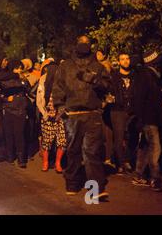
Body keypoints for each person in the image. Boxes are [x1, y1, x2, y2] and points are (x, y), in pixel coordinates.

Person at [52, 35, 111, 201]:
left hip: (93, 114)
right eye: (81, 42)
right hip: (73, 115)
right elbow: (58, 88)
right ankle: (72, 183)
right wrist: (60, 107)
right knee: (74, 151)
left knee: (91, 152)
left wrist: (94, 80)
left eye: (87, 43)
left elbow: (107, 86)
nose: (84, 45)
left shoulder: (98, 67)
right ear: (75, 44)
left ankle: (95, 189)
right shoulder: (65, 66)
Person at [131, 50, 162, 192]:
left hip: (148, 118)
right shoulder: (147, 76)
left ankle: (139, 174)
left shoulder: (150, 75)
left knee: (144, 147)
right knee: (155, 147)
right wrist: (140, 118)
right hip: (149, 118)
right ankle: (155, 178)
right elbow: (140, 99)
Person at [0, 59, 32, 168]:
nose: (19, 70)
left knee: (19, 134)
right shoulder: (5, 79)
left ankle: (21, 158)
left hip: (20, 110)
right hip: (8, 109)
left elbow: (29, 90)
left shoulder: (22, 79)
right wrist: (6, 99)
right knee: (9, 134)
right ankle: (10, 155)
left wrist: (24, 80)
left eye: (20, 68)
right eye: (17, 68)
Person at [36, 58, 66, 173]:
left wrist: (61, 112)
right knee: (47, 141)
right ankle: (45, 162)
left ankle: (58, 163)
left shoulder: (62, 81)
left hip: (60, 114)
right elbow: (39, 100)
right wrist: (44, 113)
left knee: (62, 140)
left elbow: (66, 98)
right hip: (47, 114)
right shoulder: (43, 80)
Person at [109, 52, 135, 174]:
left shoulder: (134, 75)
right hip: (117, 110)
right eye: (122, 59)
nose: (125, 61)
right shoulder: (114, 76)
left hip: (131, 110)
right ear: (119, 62)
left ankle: (128, 161)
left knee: (131, 136)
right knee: (119, 137)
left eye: (127, 58)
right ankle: (120, 163)